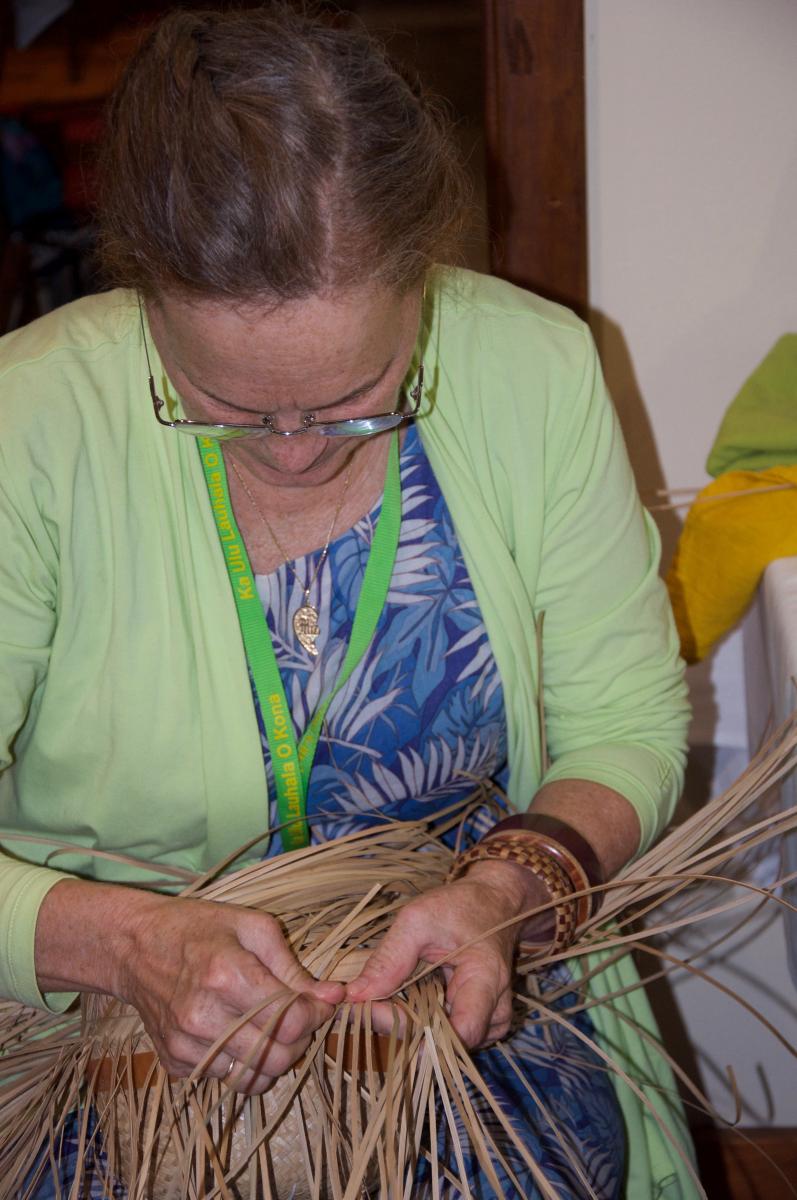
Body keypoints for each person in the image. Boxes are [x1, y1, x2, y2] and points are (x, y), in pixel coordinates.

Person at [0, 6, 694, 1198]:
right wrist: (121, 943)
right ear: (145, 297)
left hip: (466, 1027)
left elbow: (625, 719)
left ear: (423, 278)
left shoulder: (531, 369)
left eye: (359, 396)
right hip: (104, 1052)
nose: (295, 450)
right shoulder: (33, 421)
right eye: (219, 403)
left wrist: (509, 886)